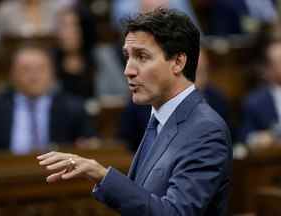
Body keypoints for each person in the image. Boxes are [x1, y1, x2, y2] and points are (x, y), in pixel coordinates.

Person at [37, 8, 232, 215]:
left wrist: (102, 175)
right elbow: (144, 201)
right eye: (127, 56)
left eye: (142, 56)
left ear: (178, 62)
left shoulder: (205, 130)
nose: (128, 70)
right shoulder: (159, 119)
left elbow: (174, 212)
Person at [118, 48, 231, 153]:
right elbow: (125, 145)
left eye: (200, 73)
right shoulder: (143, 101)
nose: (194, 81)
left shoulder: (217, 102)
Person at [0, 45, 97, 154]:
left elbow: (90, 145)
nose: (34, 76)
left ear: (52, 73)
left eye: (41, 69)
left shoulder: (73, 108)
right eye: (26, 69)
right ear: (12, 74)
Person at [239, 36, 281, 148]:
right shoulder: (254, 102)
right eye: (279, 62)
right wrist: (260, 138)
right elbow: (246, 138)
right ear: (268, 68)